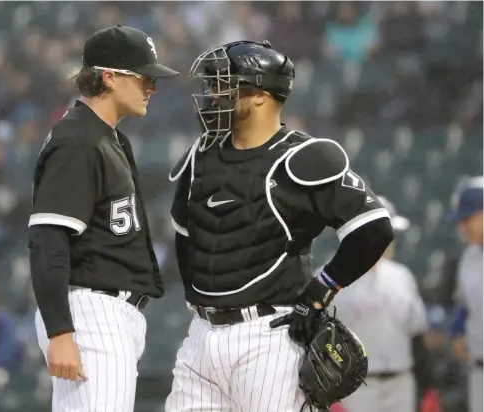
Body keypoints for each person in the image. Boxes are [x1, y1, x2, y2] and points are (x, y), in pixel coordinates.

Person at [166, 40, 394, 412]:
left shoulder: (304, 157)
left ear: (258, 94)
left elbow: (373, 230)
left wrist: (320, 290)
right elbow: (184, 234)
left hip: (267, 339)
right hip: (201, 337)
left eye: (222, 84)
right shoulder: (202, 154)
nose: (211, 94)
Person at [28, 25, 179, 412]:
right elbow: (48, 240)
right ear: (109, 77)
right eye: (144, 77)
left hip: (110, 315)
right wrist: (61, 332)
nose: (153, 87)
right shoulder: (79, 139)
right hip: (91, 315)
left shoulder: (105, 137)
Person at [329, 196, 429, 412]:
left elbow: (417, 332)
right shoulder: (330, 277)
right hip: (355, 387)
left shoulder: (402, 276)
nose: (389, 240)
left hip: (400, 381)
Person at [448, 177, 483, 412]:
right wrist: (457, 331)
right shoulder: (469, 258)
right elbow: (463, 303)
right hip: (479, 372)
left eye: (467, 218)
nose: (463, 227)